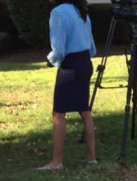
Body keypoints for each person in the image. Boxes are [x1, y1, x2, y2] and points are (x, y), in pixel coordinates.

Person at [40, 0, 96, 170]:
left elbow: (58, 49)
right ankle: (92, 157)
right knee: (84, 110)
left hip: (70, 66)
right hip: (85, 62)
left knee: (59, 113)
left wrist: (50, 61)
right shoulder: (81, 10)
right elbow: (92, 45)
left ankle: (57, 162)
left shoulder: (58, 12)